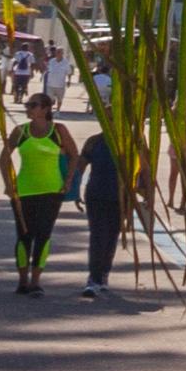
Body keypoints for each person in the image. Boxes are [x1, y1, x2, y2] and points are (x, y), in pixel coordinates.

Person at [5, 102, 71, 294]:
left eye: (34, 105)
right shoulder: (21, 131)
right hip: (24, 191)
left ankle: (35, 282)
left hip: (52, 191)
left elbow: (75, 155)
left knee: (43, 235)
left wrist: (67, 182)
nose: (29, 108)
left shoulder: (58, 131)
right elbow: (4, 158)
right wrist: (9, 184)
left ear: (45, 109)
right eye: (28, 105)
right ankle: (22, 281)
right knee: (24, 236)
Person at [75, 121, 127, 296]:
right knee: (98, 235)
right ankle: (94, 278)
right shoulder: (94, 142)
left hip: (120, 196)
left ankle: (104, 273)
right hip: (96, 194)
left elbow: (145, 168)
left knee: (112, 235)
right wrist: (75, 190)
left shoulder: (131, 141)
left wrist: (148, 196)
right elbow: (81, 166)